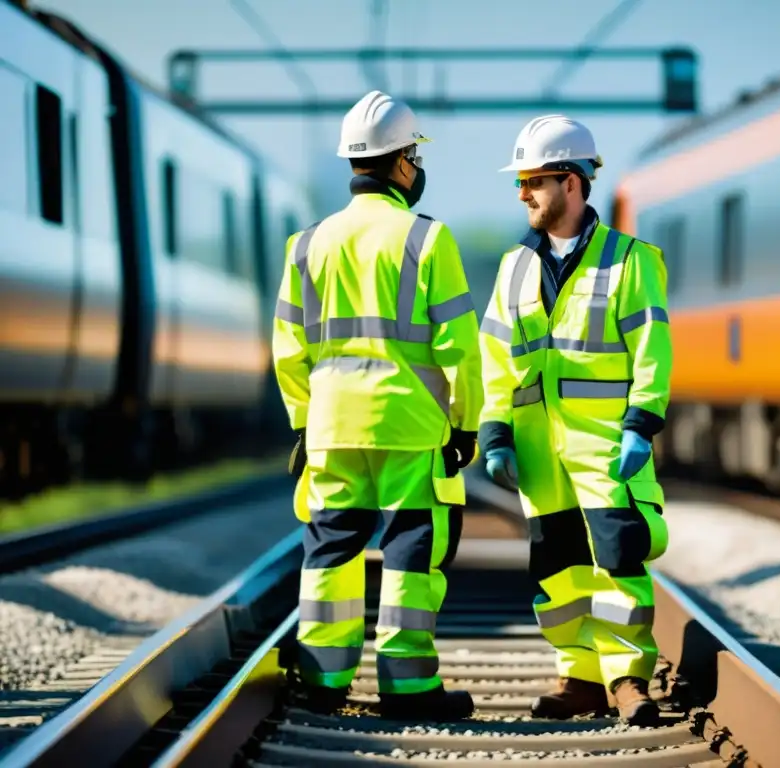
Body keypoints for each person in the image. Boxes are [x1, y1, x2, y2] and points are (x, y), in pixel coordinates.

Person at [271, 90, 483, 721]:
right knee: (412, 548)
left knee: (330, 548)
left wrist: (304, 424)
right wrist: (464, 422)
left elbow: (288, 348)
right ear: (398, 164)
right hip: (409, 424)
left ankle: (323, 680)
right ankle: (408, 685)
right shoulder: (427, 239)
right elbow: (460, 347)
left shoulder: (306, 244)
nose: (417, 168)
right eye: (414, 156)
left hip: (333, 426)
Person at [477, 115, 673, 726]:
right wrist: (495, 432)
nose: (522, 193)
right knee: (557, 570)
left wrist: (641, 424)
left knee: (617, 560)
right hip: (539, 453)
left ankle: (627, 680)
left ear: (570, 182)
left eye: (532, 181)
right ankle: (579, 677)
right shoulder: (514, 266)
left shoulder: (631, 260)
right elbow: (494, 359)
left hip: (607, 444)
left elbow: (652, 350)